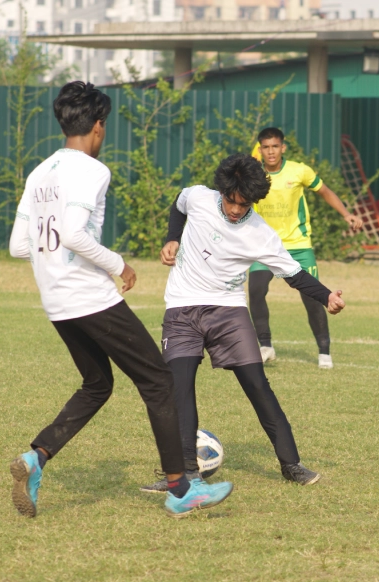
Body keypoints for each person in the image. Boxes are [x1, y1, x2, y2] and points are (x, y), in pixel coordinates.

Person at [7, 82, 231, 518]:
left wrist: (56, 264)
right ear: (98, 125)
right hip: (88, 297)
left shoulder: (39, 173)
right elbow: (73, 234)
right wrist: (118, 265)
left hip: (56, 301)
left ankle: (37, 457)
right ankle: (180, 489)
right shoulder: (93, 171)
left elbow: (19, 245)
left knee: (97, 384)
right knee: (159, 381)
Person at [144, 153, 347, 493]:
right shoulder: (199, 198)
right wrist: (172, 238)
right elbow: (178, 204)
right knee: (179, 388)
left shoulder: (260, 233)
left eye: (245, 203)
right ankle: (186, 474)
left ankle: (291, 464)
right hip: (182, 308)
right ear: (221, 190)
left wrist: (326, 296)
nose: (236, 209)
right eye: (231, 200)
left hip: (228, 312)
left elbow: (294, 274)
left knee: (257, 386)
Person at [246, 127, 362, 369]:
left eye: (275, 146)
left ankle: (324, 352)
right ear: (260, 149)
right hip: (265, 246)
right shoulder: (253, 174)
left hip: (298, 245)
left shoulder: (299, 171)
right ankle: (265, 346)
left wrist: (346, 214)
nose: (271, 151)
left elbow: (325, 192)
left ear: (283, 147)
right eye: (266, 147)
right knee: (256, 291)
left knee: (312, 296)